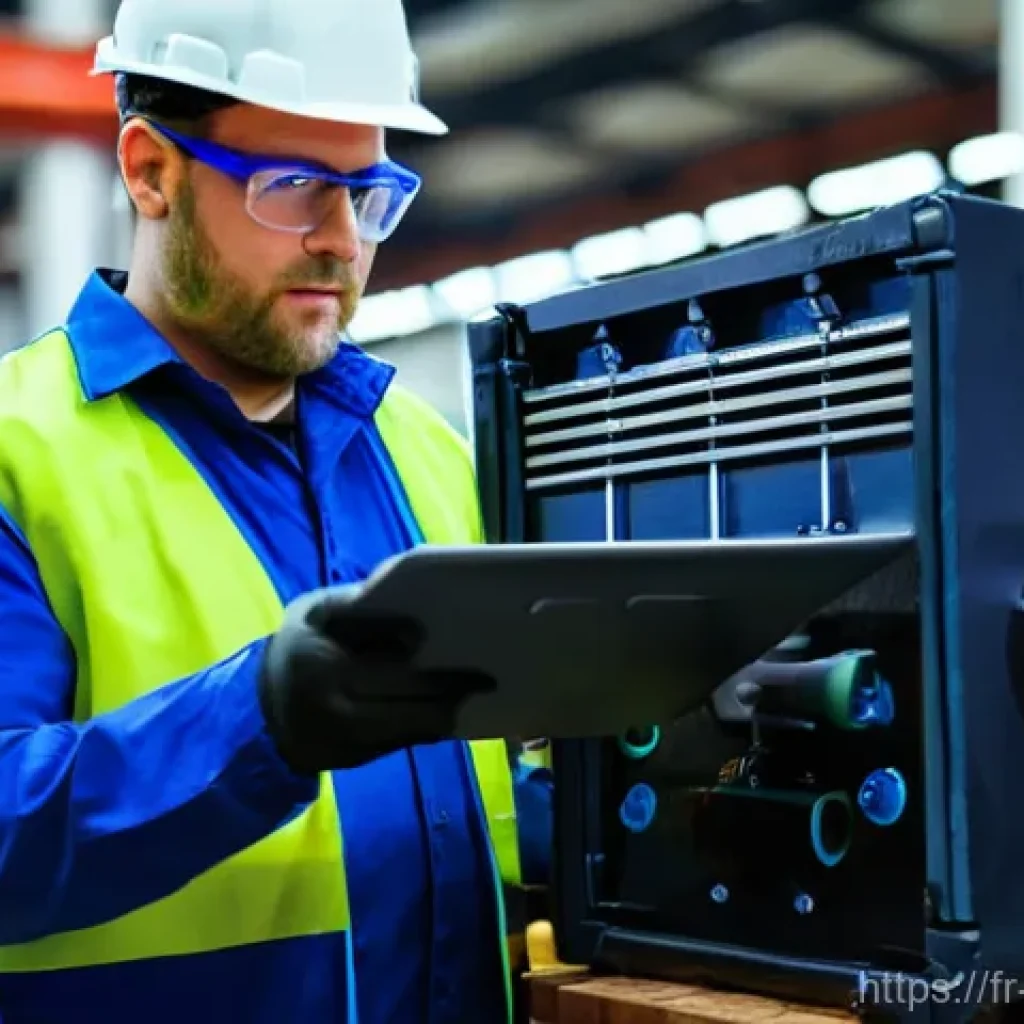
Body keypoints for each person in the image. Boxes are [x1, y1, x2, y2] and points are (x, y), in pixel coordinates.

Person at [0, 0, 552, 1021]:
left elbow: (518, 783)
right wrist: (257, 721)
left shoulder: (429, 452)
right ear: (149, 169)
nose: (341, 241)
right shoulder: (16, 451)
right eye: (293, 186)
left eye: (370, 191)